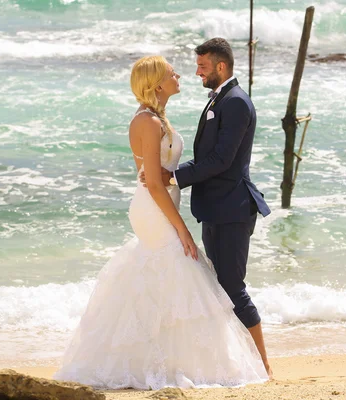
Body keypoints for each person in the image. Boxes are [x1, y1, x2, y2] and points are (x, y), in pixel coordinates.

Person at [54, 55, 268, 390]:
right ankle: (163, 364)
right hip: (154, 210)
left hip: (159, 207)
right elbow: (153, 183)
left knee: (166, 279)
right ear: (157, 84)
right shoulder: (148, 122)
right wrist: (181, 228)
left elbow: (160, 176)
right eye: (172, 73)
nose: (179, 75)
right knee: (181, 270)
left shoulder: (156, 118)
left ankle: (164, 361)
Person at [141, 38, 272, 377]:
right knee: (217, 285)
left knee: (233, 287)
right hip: (216, 207)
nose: (196, 72)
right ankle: (233, 360)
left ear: (221, 67)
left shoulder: (236, 103)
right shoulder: (221, 99)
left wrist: (174, 178)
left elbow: (221, 159)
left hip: (232, 208)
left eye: (202, 66)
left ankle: (263, 365)